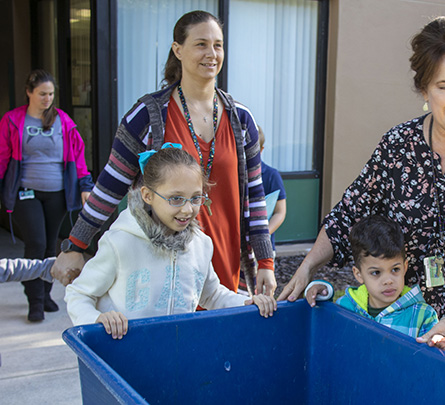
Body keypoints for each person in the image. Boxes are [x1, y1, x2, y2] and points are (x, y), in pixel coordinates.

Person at [279, 16, 445, 384]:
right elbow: (351, 211)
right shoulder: (398, 146)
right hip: (418, 328)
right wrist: (307, 267)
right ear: (423, 89)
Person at [51, 10, 276, 299]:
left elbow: (255, 196)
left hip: (227, 261)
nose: (211, 53)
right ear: (177, 50)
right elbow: (108, 188)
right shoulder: (147, 116)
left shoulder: (242, 119)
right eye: (201, 44)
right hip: (162, 266)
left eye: (218, 45)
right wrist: (75, 245)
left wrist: (265, 261)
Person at [65, 145, 275, 340]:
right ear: (147, 195)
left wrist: (248, 301)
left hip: (176, 352)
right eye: (176, 198)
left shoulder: (201, 245)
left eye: (195, 198)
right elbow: (78, 294)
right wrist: (96, 320)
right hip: (126, 353)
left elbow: (212, 294)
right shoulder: (120, 242)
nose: (187, 209)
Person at [0, 69, 94, 322]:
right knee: (36, 243)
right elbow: (2, 158)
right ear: (29, 92)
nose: (47, 99)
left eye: (51, 94)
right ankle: (35, 300)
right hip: (25, 192)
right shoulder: (12, 120)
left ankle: (46, 292)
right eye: (42, 94)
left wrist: (86, 185)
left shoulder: (63, 121)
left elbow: (78, 158)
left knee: (51, 244)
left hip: (57, 194)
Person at [304, 215, 445, 352]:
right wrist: (322, 291)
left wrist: (441, 346)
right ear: (358, 274)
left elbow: (432, 360)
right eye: (376, 272)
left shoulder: (423, 315)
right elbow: (325, 332)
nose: (388, 280)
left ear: (405, 267)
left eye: (395, 269)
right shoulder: (347, 307)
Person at [258, 126, 287, 254]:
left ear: (261, 150)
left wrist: (263, 236)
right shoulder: (232, 176)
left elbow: (280, 212)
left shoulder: (271, 175)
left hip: (263, 246)